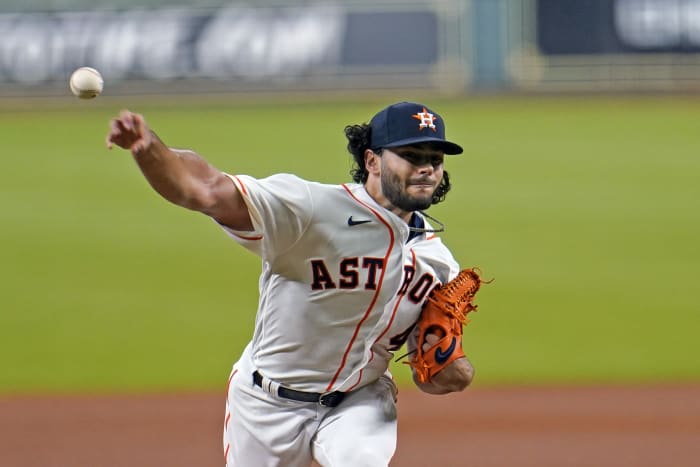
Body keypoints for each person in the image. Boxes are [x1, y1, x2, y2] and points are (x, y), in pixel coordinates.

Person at [106, 101, 475, 466]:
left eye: (435, 159)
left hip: (359, 401)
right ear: (372, 161)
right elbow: (205, 188)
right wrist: (149, 147)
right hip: (265, 405)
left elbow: (430, 373)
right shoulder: (312, 209)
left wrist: (454, 372)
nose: (426, 168)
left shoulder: (438, 263)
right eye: (411, 155)